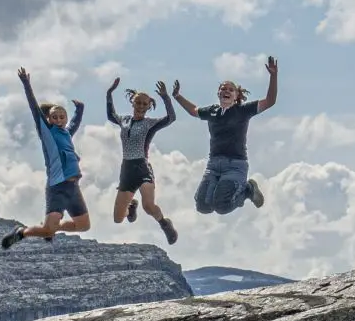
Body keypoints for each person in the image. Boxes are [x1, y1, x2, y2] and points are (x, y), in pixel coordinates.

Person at [173, 56, 277, 216]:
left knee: (222, 207)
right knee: (203, 206)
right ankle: (235, 190)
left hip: (235, 164)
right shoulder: (212, 111)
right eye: (223, 88)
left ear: (236, 95)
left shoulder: (243, 110)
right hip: (213, 165)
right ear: (218, 93)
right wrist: (177, 96)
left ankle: (248, 190)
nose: (226, 91)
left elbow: (270, 101)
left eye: (230, 89)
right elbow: (193, 111)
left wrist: (273, 76)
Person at [3, 66, 94, 248]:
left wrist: (80, 109)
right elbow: (34, 108)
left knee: (83, 226)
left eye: (62, 117)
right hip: (57, 187)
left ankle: (52, 227)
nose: (59, 120)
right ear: (49, 119)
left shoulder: (66, 133)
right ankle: (21, 232)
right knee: (47, 231)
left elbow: (74, 123)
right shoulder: (47, 132)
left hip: (73, 188)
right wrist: (27, 84)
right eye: (55, 117)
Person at [106, 79, 179, 244]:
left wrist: (165, 97)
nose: (140, 106)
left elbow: (171, 118)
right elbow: (110, 115)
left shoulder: (150, 124)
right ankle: (131, 205)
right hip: (127, 170)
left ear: (149, 106)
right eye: (138, 102)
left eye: (144, 104)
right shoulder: (124, 120)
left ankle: (165, 224)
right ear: (132, 102)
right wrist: (109, 93)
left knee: (148, 206)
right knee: (118, 218)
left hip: (142, 167)